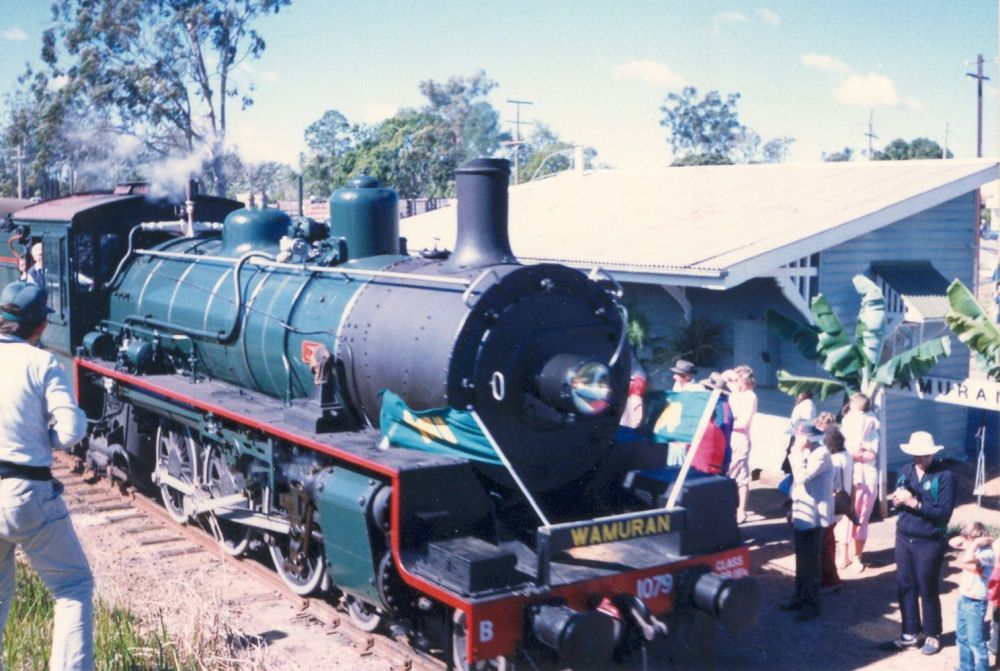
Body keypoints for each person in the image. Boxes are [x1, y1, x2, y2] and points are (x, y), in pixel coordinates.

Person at [0, 280, 93, 669]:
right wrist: (47, 434)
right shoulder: (41, 364)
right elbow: (71, 432)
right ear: (40, 327)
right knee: (73, 587)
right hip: (26, 494)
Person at [888, 430, 955, 656]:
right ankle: (910, 632)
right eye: (916, 455)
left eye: (925, 455)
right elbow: (897, 504)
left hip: (929, 540)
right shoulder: (904, 471)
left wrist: (915, 504)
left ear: (932, 453)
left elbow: (944, 513)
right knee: (905, 585)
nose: (920, 459)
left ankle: (932, 634)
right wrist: (897, 502)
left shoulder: (944, 476)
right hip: (904, 536)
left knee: (927, 587)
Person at [780, 419, 832, 622]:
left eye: (798, 436)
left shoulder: (821, 454)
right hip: (802, 512)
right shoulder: (804, 453)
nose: (795, 439)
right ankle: (799, 597)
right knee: (801, 559)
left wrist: (795, 453)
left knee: (811, 562)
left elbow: (801, 477)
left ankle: (812, 604)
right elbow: (796, 485)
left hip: (815, 515)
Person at [841, 392, 879, 571]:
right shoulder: (847, 424)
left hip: (867, 479)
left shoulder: (873, 427)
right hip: (850, 478)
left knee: (862, 518)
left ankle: (857, 557)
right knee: (845, 517)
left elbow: (872, 454)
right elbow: (848, 451)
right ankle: (843, 555)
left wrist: (860, 452)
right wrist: (858, 452)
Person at [950, 522, 995, 671]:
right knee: (962, 638)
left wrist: (975, 544)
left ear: (974, 538)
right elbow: (953, 541)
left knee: (976, 642)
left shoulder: (987, 553)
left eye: (967, 539)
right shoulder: (973, 547)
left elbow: (966, 560)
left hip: (975, 602)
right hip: (964, 598)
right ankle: (965, 668)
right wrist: (970, 542)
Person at [726, 365, 757, 523]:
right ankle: (730, 507)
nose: (735, 382)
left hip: (741, 439)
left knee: (741, 476)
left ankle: (741, 510)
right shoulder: (735, 393)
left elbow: (744, 423)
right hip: (729, 438)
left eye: (739, 379)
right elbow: (723, 376)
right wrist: (731, 375)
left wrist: (728, 423)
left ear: (745, 381)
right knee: (728, 474)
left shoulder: (750, 397)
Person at [822, 428, 852, 592]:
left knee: (824, 545)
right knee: (829, 541)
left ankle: (831, 580)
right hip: (842, 503)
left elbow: (833, 484)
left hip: (833, 506)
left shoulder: (834, 460)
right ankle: (830, 577)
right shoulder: (847, 456)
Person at [688, 373, 731, 476]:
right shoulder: (711, 404)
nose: (705, 391)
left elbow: (720, 435)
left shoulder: (721, 407)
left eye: (707, 388)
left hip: (714, 460)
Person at [666, 359, 699, 466]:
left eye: (678, 374)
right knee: (672, 458)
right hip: (674, 427)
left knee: (683, 460)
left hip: (686, 430)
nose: (674, 377)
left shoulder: (697, 389)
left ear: (687, 376)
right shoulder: (677, 385)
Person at [782, 391, 816, 475]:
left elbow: (806, 422)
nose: (796, 397)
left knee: (794, 459)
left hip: (800, 436)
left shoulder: (807, 406)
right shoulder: (805, 404)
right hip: (797, 433)